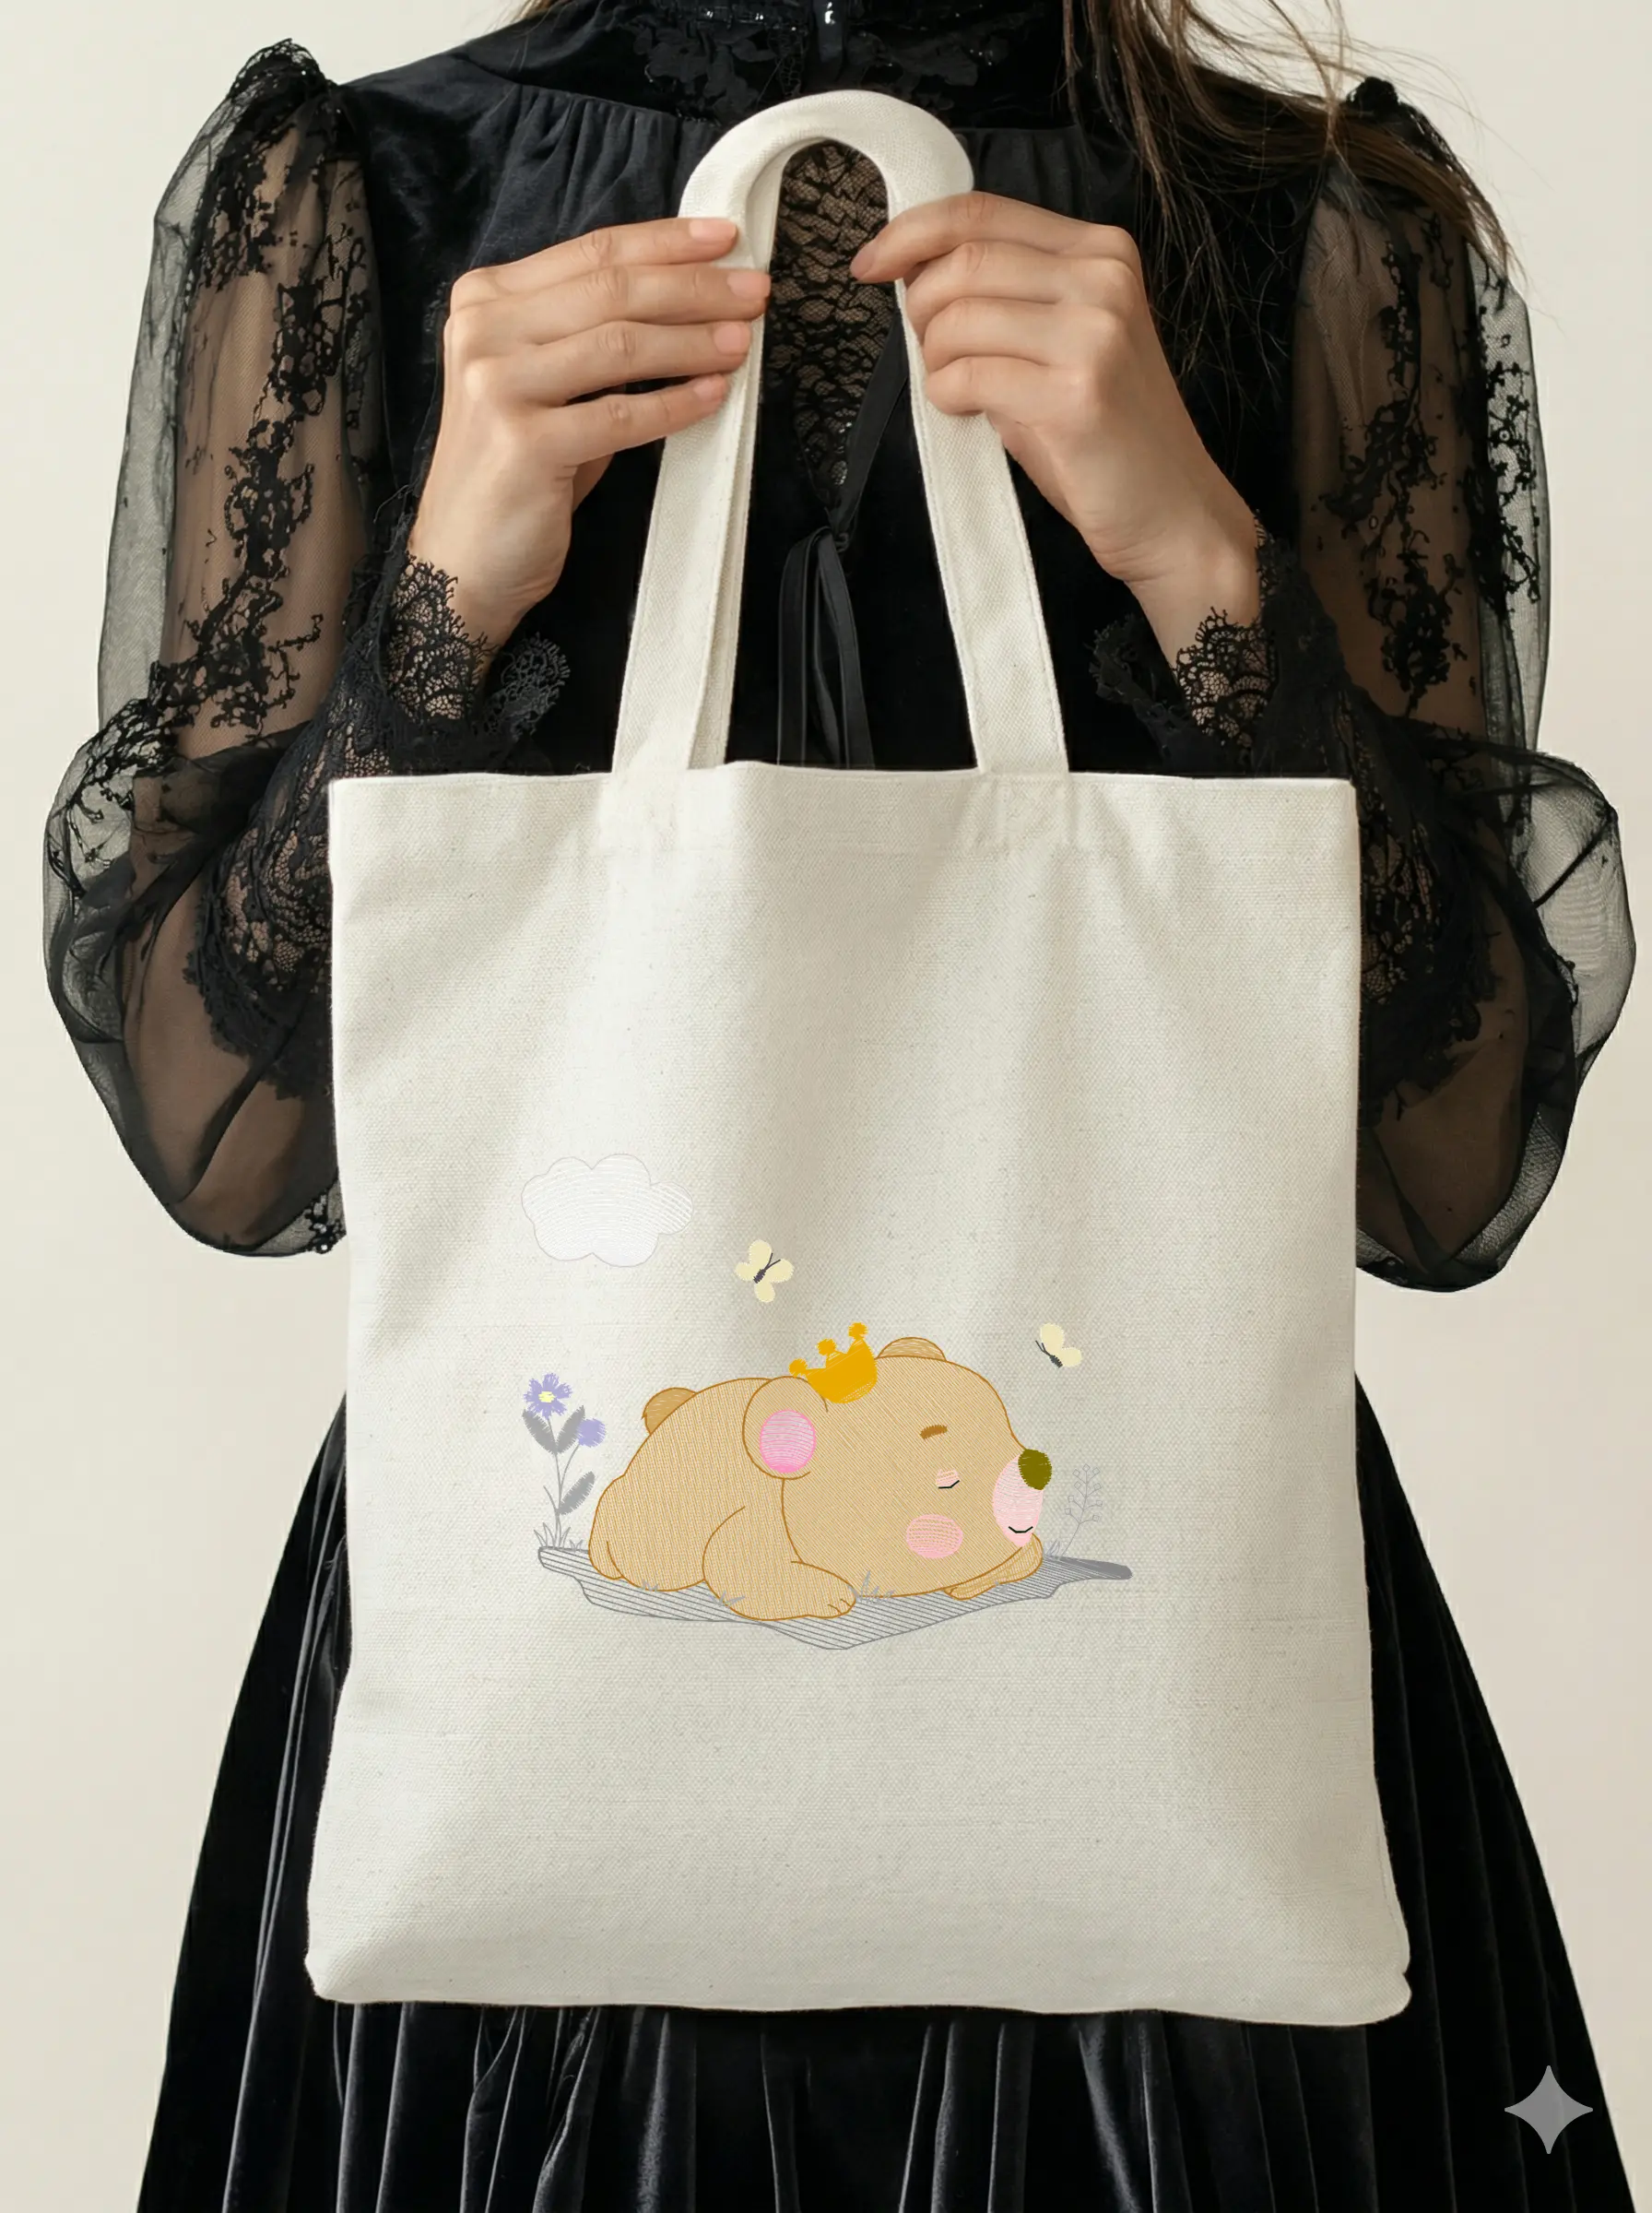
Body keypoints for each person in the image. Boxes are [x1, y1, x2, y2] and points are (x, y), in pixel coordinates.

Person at [41, 1, 1638, 2206]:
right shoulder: (367, 203)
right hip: (541, 1707)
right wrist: (443, 599)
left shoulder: (1315, 226)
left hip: (1163, 1682)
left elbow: (1434, 1171)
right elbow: (228, 1138)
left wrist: (1201, 567)